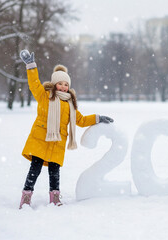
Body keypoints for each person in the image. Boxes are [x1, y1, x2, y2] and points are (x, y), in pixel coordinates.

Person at [19, 50, 114, 209]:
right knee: (34, 169)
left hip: (57, 143)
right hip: (40, 139)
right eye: (60, 83)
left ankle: (54, 197)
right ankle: (26, 196)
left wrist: (97, 118)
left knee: (54, 173)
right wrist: (30, 65)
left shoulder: (70, 105)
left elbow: (81, 120)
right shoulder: (45, 96)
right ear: (55, 84)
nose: (63, 87)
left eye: (66, 84)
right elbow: (34, 83)